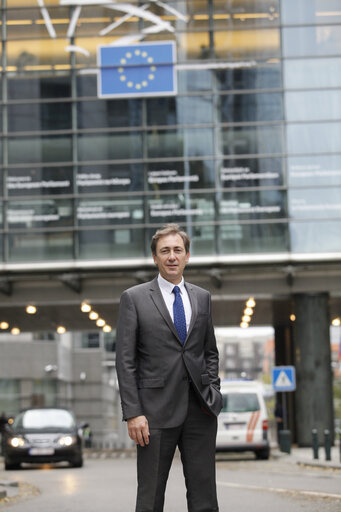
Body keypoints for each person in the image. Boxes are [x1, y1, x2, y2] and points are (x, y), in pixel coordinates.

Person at [116, 223, 222, 512]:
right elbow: (125, 361)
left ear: (187, 255)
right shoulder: (134, 298)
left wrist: (213, 390)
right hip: (153, 414)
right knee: (150, 499)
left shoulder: (202, 297)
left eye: (177, 250)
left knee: (205, 498)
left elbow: (209, 351)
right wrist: (133, 412)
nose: (172, 256)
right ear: (155, 258)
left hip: (200, 410)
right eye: (165, 251)